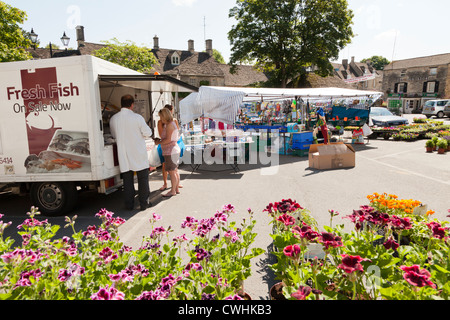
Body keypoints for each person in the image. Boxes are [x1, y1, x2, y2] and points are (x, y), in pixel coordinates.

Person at [110, 94, 153, 210]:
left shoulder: (114, 119)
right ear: (132, 105)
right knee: (142, 179)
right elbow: (148, 133)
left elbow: (113, 135)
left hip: (123, 154)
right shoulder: (137, 118)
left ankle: (129, 205)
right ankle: (144, 203)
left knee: (127, 181)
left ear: (121, 104)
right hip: (138, 152)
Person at [157, 104, 183, 191]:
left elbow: (168, 139)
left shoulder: (169, 125)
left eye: (161, 117)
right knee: (175, 171)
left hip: (170, 150)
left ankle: (173, 190)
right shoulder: (172, 122)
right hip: (174, 149)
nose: (160, 119)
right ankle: (176, 189)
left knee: (172, 172)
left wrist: (159, 142)